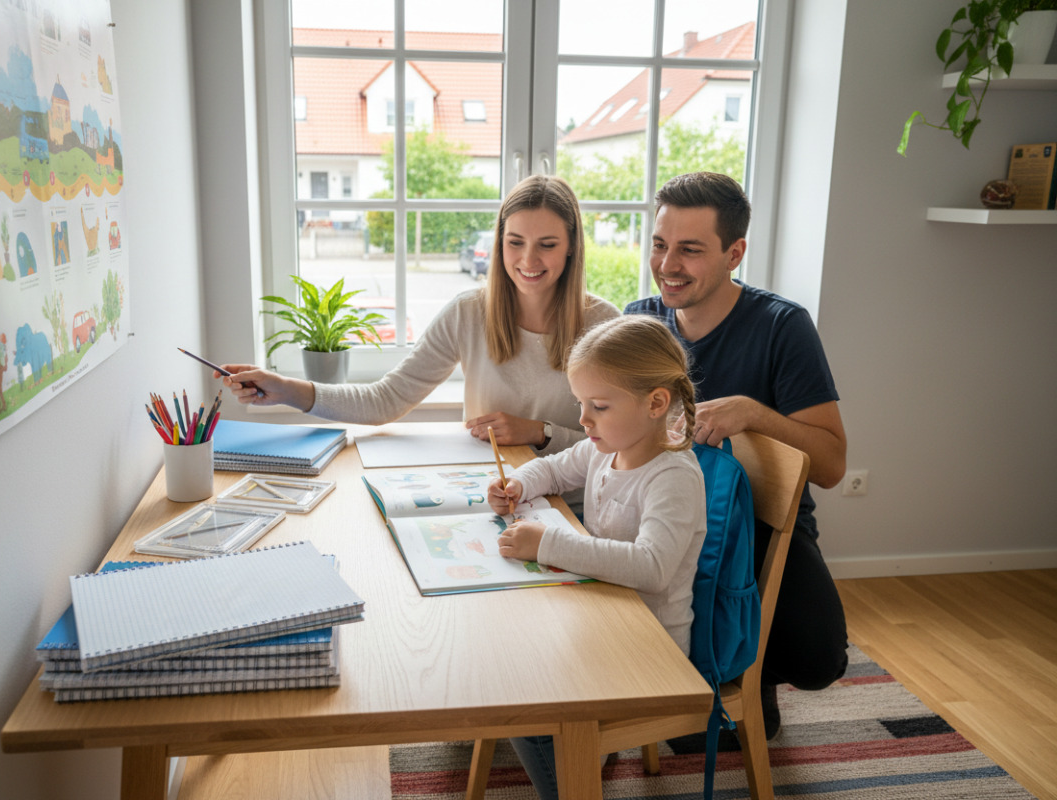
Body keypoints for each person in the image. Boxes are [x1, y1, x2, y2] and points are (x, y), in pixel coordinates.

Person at [625, 171, 849, 738]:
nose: (667, 264)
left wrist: (755, 414)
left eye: (690, 250)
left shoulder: (782, 326)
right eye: (659, 244)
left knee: (821, 662)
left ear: (735, 253)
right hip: (662, 519)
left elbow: (831, 466)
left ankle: (749, 665)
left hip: (759, 531)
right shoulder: (640, 319)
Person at [220, 174, 620, 453]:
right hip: (498, 494)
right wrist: (286, 390)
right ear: (499, 243)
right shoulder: (468, 313)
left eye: (547, 244)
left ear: (571, 247)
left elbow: (624, 442)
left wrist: (541, 434)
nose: (528, 259)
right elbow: (384, 400)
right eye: (515, 242)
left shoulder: (603, 325)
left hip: (574, 505)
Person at [487, 314, 707, 800]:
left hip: (649, 649)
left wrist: (547, 542)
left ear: (655, 404)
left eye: (599, 406)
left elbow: (651, 568)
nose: (583, 420)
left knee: (523, 703)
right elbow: (552, 468)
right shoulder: (605, 447)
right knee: (500, 654)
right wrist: (519, 484)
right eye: (580, 404)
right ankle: (586, 755)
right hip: (600, 618)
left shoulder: (672, 475)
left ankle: (576, 781)